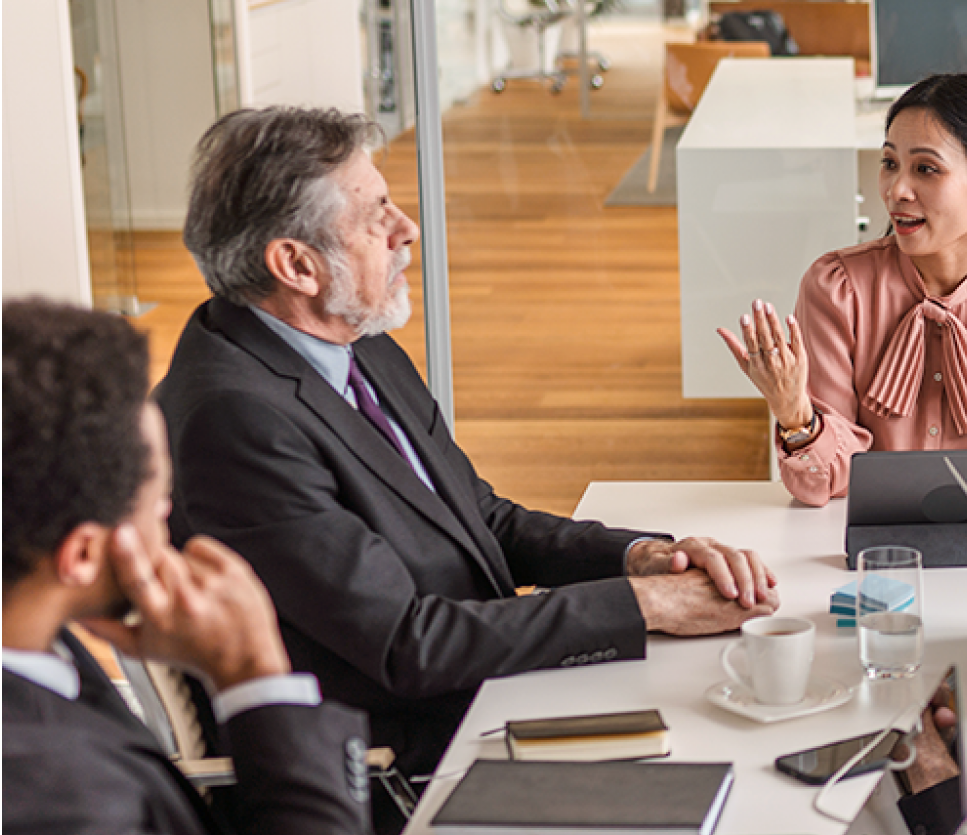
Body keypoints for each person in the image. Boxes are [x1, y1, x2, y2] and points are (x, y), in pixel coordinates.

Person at [158, 106, 779, 781]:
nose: (407, 230)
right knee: (734, 744)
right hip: (406, 759)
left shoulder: (350, 339)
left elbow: (478, 517)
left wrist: (642, 558)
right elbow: (405, 643)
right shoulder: (234, 422)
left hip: (485, 682)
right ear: (296, 265)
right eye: (376, 217)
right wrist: (644, 607)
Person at [2, 300, 388, 835]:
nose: (173, 528)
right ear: (82, 556)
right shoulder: (31, 819)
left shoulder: (36, 636)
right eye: (160, 504)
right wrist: (257, 677)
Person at [718, 73, 967, 506]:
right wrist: (794, 414)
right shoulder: (838, 289)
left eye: (926, 169)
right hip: (875, 554)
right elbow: (825, 484)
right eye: (890, 163)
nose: (896, 190)